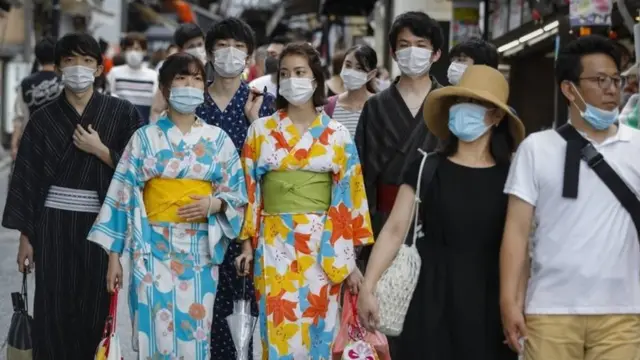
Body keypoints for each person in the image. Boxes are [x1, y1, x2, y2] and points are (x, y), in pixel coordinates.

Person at [87, 52, 248, 359]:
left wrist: (216, 204)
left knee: (196, 334)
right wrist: (114, 256)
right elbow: (123, 195)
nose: (190, 84)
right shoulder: (144, 139)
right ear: (164, 88)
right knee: (154, 333)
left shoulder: (218, 140)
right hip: (152, 249)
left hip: (199, 251)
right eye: (181, 78)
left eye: (197, 78)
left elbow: (238, 195)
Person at [358, 65, 524, 360]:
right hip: (428, 297)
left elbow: (521, 245)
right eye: (461, 102)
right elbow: (395, 229)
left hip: (488, 299)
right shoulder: (426, 167)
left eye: (476, 104)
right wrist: (368, 286)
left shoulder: (513, 177)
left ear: (497, 116)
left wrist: (517, 303)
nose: (465, 110)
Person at [3, 32, 142, 360]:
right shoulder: (43, 119)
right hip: (53, 224)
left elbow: (137, 170)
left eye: (86, 61)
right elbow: (27, 179)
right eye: (69, 61)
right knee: (52, 308)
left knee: (95, 310)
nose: (78, 68)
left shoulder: (121, 114)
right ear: (59, 69)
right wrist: (27, 236)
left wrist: (103, 151)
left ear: (98, 68)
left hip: (101, 225)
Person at [500, 35, 640, 360]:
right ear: (569, 89)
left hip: (624, 312)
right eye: (599, 80)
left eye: (616, 80)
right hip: (549, 312)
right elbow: (516, 233)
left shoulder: (637, 146)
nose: (611, 89)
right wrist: (509, 301)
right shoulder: (536, 148)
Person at [235, 42, 374, 359]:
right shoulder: (261, 130)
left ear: (315, 79)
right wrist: (246, 245)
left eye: (299, 72)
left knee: (319, 336)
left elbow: (350, 196)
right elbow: (249, 191)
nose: (291, 79)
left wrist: (349, 261)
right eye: (284, 73)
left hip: (323, 246)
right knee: (277, 332)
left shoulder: (337, 133)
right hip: (273, 242)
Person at [194, 17, 276, 359]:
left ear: (250, 55)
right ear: (210, 53)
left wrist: (254, 123)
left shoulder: (263, 103)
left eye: (239, 47)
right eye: (222, 45)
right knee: (196, 315)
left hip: (247, 223)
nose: (230, 53)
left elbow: (274, 164)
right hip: (197, 220)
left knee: (240, 319)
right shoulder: (192, 101)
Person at [355, 11, 443, 264]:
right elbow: (361, 175)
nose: (412, 52)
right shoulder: (375, 107)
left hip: (435, 221)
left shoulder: (449, 104)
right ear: (393, 53)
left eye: (421, 45)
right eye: (404, 45)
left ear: (435, 53)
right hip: (382, 219)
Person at [10, 37, 63, 161]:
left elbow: (19, 117)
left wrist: (14, 146)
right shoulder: (64, 81)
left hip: (33, 142)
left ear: (37, 57)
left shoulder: (26, 83)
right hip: (60, 142)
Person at [151, 23, 206, 122]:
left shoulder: (214, 71)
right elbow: (157, 109)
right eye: (191, 46)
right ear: (181, 50)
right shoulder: (172, 73)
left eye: (199, 44)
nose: (197, 50)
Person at [327, 44, 378, 136]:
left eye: (359, 68)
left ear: (371, 74)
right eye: (348, 65)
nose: (351, 71)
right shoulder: (328, 106)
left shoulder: (380, 107)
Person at [107, 32, 158, 123]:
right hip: (118, 126)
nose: (133, 52)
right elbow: (108, 98)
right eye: (129, 49)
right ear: (124, 51)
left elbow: (155, 107)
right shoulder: (115, 72)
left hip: (144, 127)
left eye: (137, 49)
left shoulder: (153, 76)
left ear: (144, 51)